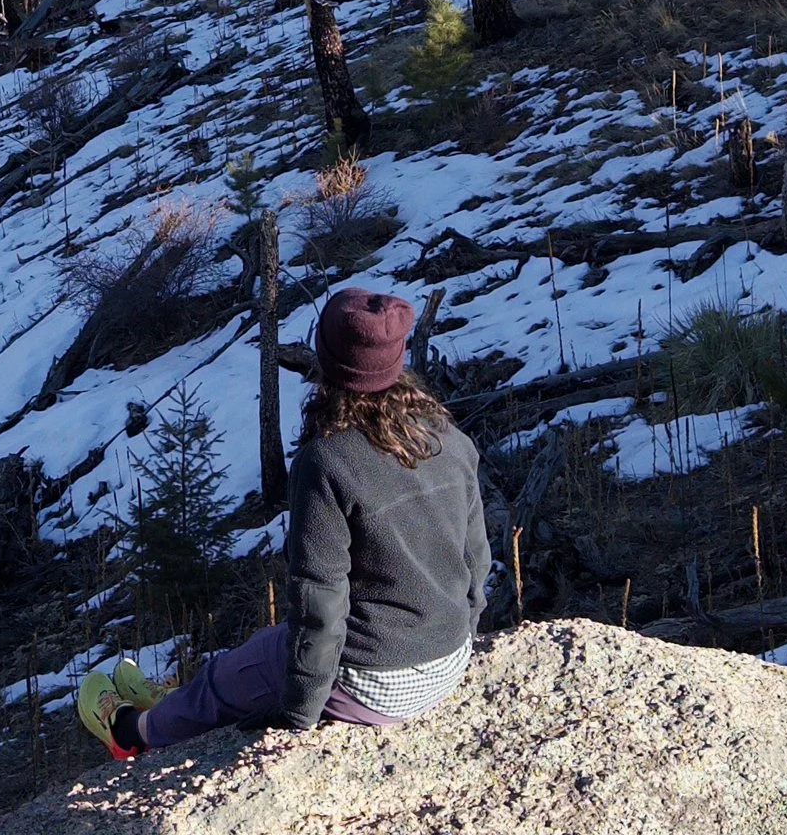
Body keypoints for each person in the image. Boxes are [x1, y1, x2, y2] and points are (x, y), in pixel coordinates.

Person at [79, 283, 490, 760]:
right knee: (263, 651)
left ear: (328, 360)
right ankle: (174, 705)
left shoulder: (328, 461)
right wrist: (459, 637)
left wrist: (299, 714)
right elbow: (475, 562)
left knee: (229, 678)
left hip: (374, 681)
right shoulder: (448, 437)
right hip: (450, 656)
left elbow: (320, 603)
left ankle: (132, 729)